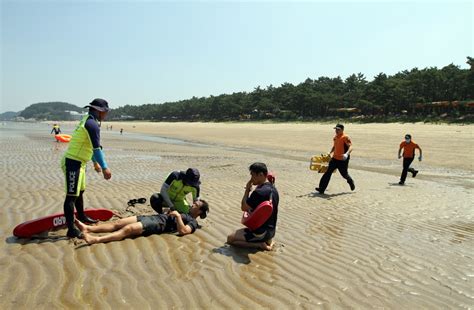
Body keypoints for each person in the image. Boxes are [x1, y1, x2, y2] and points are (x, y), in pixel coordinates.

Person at [61, 98, 112, 238]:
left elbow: (90, 146)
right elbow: (96, 149)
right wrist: (105, 167)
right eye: (106, 111)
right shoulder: (91, 124)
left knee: (80, 191)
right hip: (72, 162)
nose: (106, 114)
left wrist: (95, 163)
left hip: (80, 162)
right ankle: (71, 229)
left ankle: (82, 217)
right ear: (99, 111)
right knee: (71, 196)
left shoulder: (90, 120)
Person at [76, 200, 209, 244]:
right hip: (152, 217)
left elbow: (183, 231)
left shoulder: (193, 222)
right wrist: (169, 211)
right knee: (118, 223)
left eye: (196, 205)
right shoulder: (185, 211)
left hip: (157, 225)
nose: (192, 204)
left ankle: (95, 240)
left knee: (127, 230)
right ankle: (88, 229)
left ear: (199, 212)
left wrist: (178, 217)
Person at [227, 162, 279, 251]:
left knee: (230, 239)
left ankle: (259, 245)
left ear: (261, 175)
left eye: (252, 175)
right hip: (271, 231)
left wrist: (247, 190)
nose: (251, 179)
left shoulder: (259, 192)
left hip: (260, 233)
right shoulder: (274, 189)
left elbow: (243, 207)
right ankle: (267, 241)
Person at [315, 124, 355, 194]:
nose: (336, 131)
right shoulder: (335, 137)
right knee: (327, 172)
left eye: (338, 129)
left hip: (343, 160)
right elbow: (334, 147)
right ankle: (321, 189)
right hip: (334, 159)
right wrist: (330, 152)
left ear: (342, 130)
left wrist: (346, 154)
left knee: (344, 174)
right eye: (336, 129)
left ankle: (350, 181)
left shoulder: (345, 137)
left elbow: (351, 147)